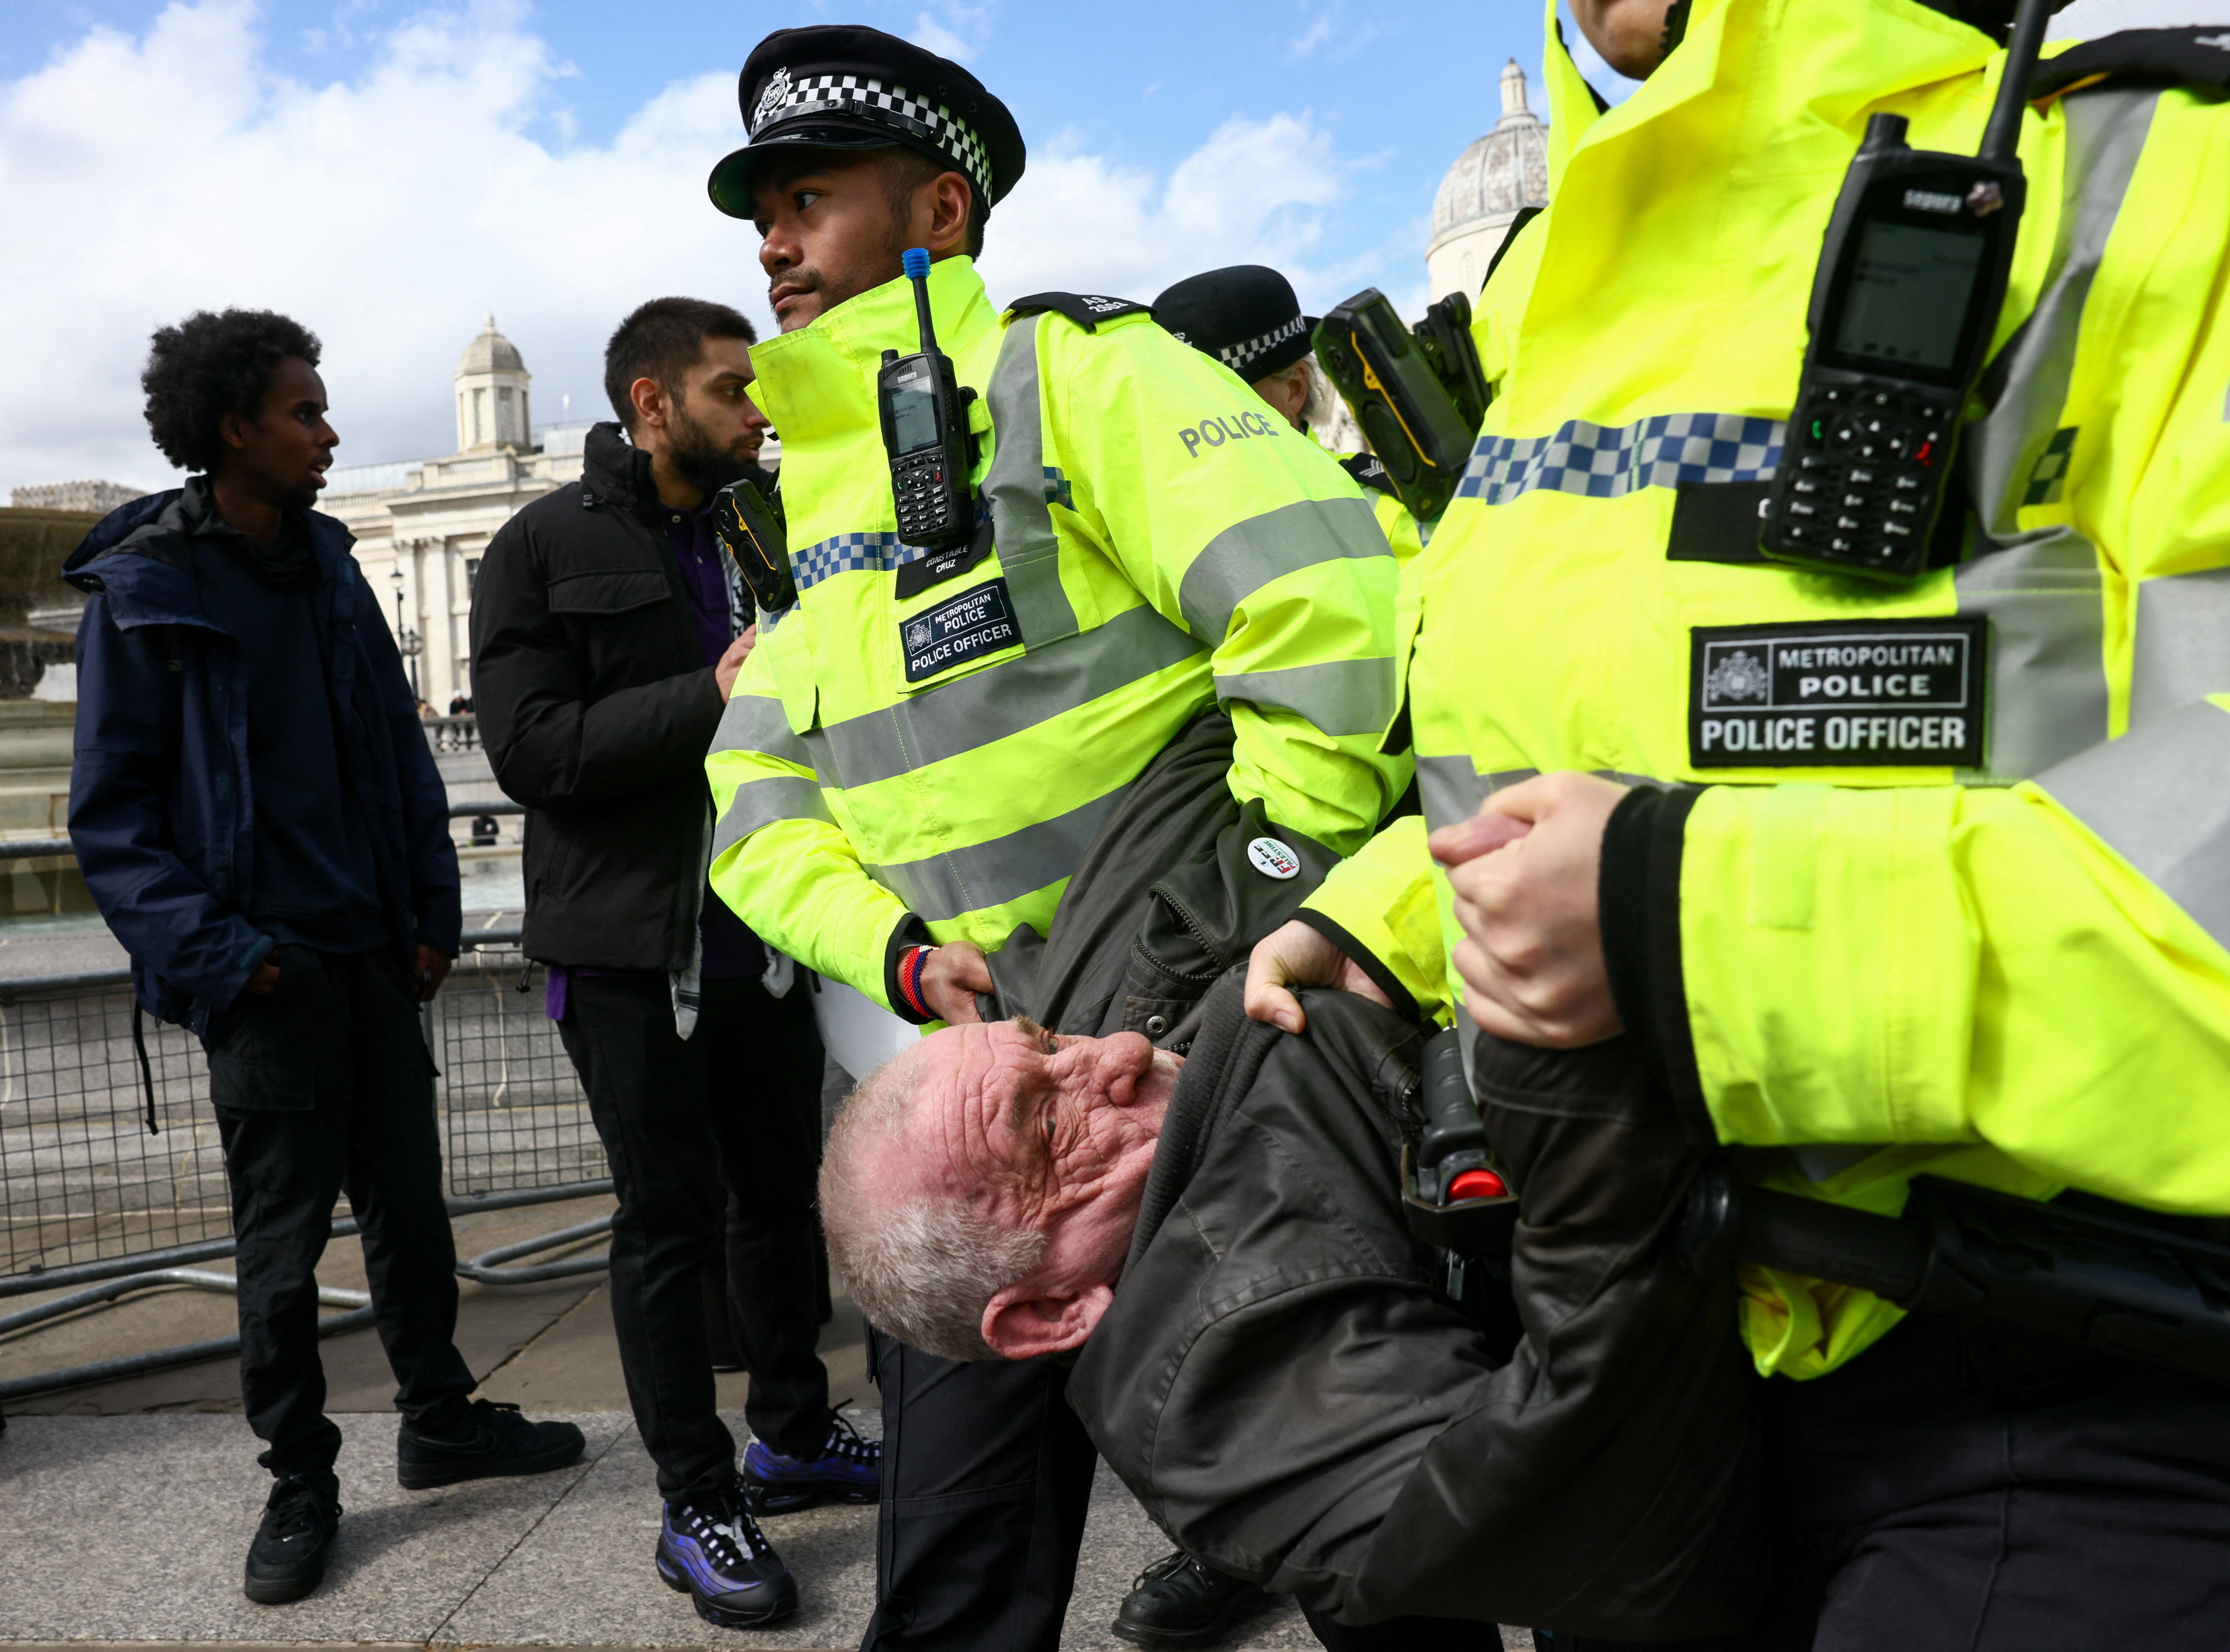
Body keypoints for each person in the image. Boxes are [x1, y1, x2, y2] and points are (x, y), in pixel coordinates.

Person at [1247, 1, 2230, 1646]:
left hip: (2068, 1354)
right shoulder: (1556, 270)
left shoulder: (2228, 154)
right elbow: (1586, 716)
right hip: (1638, 1329)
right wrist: (1390, 913)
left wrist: (1682, 930)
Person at [698, 25, 1410, 1651]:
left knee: (1355, 1533)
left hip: (1193, 1088)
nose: (771, 241)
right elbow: (754, 805)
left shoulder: (1075, 375)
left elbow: (1329, 612)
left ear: (937, 211)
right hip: (977, 1127)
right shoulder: (810, 493)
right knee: (950, 1572)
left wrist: (1260, 926)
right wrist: (888, 950)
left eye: (808, 197)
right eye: (759, 209)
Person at [65, 309, 585, 1608]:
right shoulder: (147, 591)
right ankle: (300, 1474)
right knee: (280, 1249)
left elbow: (399, 757)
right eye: (305, 412)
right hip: (267, 974)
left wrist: (429, 907)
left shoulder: (332, 564)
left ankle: (439, 1415)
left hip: (368, 954)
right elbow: (113, 822)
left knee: (413, 1213)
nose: (330, 430)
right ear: (234, 427)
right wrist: (232, 960)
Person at [814, 978, 1766, 1645]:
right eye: (1049, 1124)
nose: (1118, 1048)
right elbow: (1624, 1527)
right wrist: (1585, 1154)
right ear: (1044, 1313)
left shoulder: (1181, 1123)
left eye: (1052, 1040)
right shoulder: (1225, 1401)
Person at [469, 297, 866, 1632]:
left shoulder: (774, 524)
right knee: (666, 1222)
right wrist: (713, 685)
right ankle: (697, 1496)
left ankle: (793, 1434)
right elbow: (536, 756)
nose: (762, 408)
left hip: (768, 935)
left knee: (780, 1200)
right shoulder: (537, 547)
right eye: (734, 389)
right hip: (630, 947)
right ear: (652, 402)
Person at [1152, 265, 1427, 566]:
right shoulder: (1156, 522)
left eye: (1224, 397)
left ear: (1294, 390)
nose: (1196, 419)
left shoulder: (1392, 510)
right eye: (1182, 400)